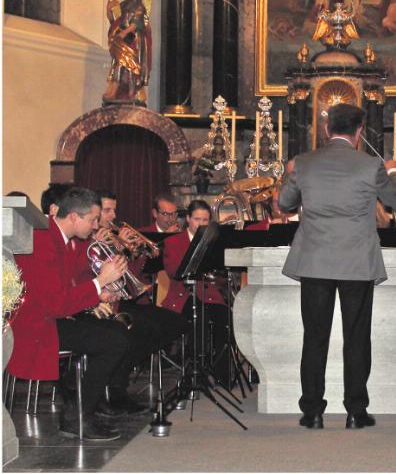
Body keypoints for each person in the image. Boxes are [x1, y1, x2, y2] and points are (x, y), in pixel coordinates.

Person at [278, 103, 396, 429]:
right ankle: (355, 411)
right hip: (356, 263)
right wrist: (394, 171)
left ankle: (312, 412)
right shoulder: (370, 165)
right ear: (359, 131)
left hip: (315, 260)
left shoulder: (305, 163)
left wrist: (295, 179)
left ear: (327, 129)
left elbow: (284, 203)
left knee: (315, 337)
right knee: (356, 337)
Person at [8, 187, 129, 441]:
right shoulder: (43, 240)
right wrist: (99, 282)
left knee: (117, 331)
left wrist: (100, 293)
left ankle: (83, 408)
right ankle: (76, 416)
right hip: (37, 326)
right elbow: (55, 304)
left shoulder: (59, 238)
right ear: (74, 216)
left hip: (53, 317)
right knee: (112, 341)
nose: (96, 225)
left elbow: (65, 290)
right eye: (93, 219)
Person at [77, 190, 188, 411]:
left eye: (113, 210)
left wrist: (125, 250)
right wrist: (101, 247)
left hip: (122, 300)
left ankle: (119, 376)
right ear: (94, 213)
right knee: (133, 331)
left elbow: (132, 279)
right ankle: (115, 389)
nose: (113, 215)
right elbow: (81, 274)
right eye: (107, 210)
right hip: (97, 306)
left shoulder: (111, 237)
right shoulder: (83, 238)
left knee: (174, 323)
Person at [162, 200, 232, 385]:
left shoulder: (214, 242)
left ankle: (221, 370)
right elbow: (173, 272)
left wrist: (218, 273)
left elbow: (222, 275)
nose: (201, 224)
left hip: (208, 292)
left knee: (226, 317)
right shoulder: (173, 241)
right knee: (199, 315)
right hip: (182, 295)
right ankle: (196, 370)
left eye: (205, 220)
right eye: (197, 219)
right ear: (188, 219)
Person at [102, 0, 152, 104]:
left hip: (133, 40)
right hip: (122, 38)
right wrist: (108, 9)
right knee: (119, 63)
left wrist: (124, 33)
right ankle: (114, 89)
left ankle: (132, 91)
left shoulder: (140, 7)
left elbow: (135, 24)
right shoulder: (123, 5)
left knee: (131, 66)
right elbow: (114, 21)